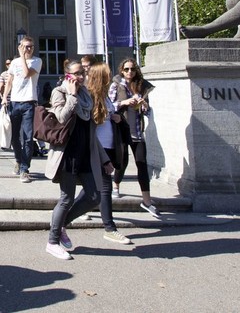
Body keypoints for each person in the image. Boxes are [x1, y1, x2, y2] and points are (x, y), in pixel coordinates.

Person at [45, 59, 114, 260]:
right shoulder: (60, 92)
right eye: (76, 73)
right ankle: (52, 241)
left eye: (82, 73)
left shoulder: (87, 95)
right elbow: (61, 117)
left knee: (94, 195)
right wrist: (72, 95)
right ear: (67, 75)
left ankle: (61, 224)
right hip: (67, 154)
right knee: (66, 198)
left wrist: (105, 159)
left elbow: (91, 132)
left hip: (85, 153)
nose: (80, 77)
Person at [87, 62, 132, 245]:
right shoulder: (92, 98)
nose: (111, 77)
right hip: (99, 149)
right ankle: (110, 228)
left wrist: (117, 117)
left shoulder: (105, 97)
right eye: (108, 75)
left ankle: (62, 219)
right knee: (105, 188)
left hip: (111, 146)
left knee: (91, 191)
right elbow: (91, 126)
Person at [110, 58, 160, 217]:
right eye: (126, 69)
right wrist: (125, 101)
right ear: (122, 71)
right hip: (122, 129)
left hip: (137, 131)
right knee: (122, 161)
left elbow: (148, 111)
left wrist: (144, 105)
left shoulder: (142, 86)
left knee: (142, 164)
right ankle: (116, 184)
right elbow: (110, 106)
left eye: (132, 69)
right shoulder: (116, 85)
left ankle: (147, 201)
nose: (129, 72)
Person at [1, 36, 44, 182]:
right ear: (20, 46)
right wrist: (4, 97)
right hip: (15, 102)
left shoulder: (37, 61)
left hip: (29, 102)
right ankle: (18, 161)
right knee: (14, 136)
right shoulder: (14, 63)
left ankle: (25, 169)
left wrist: (22, 58)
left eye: (31, 46)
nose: (29, 49)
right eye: (26, 46)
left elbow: (26, 74)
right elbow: (10, 81)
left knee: (27, 136)